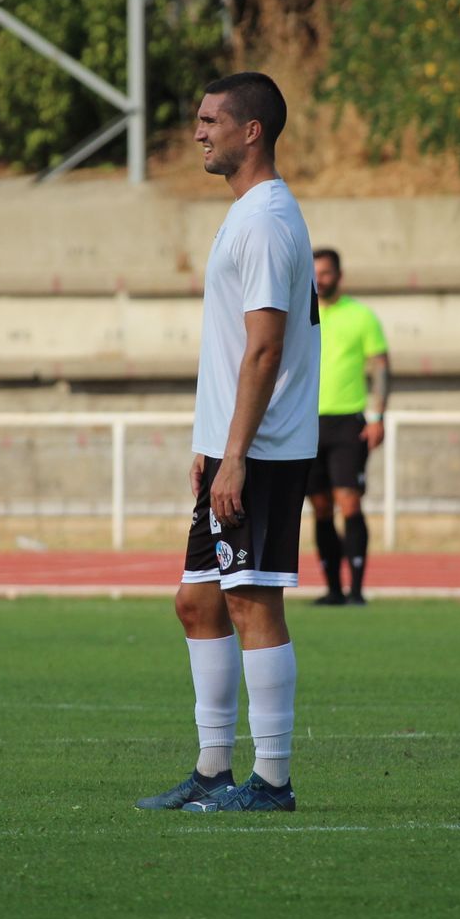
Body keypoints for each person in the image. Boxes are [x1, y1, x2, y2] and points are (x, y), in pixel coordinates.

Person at [135, 72, 319, 814]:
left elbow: (265, 348)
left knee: (249, 600)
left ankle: (271, 781)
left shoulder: (267, 219)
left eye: (211, 120)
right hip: (232, 446)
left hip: (264, 449)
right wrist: (211, 443)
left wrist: (237, 452)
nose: (198, 132)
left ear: (252, 131)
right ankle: (214, 769)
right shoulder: (248, 214)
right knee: (197, 602)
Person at [308, 247, 390, 606]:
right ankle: (332, 589)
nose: (319, 280)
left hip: (348, 423)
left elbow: (380, 367)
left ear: (338, 275)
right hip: (307, 424)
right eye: (314, 274)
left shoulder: (361, 316)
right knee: (321, 506)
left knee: (349, 501)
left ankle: (356, 589)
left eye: (325, 273)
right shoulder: (300, 315)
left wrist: (377, 415)